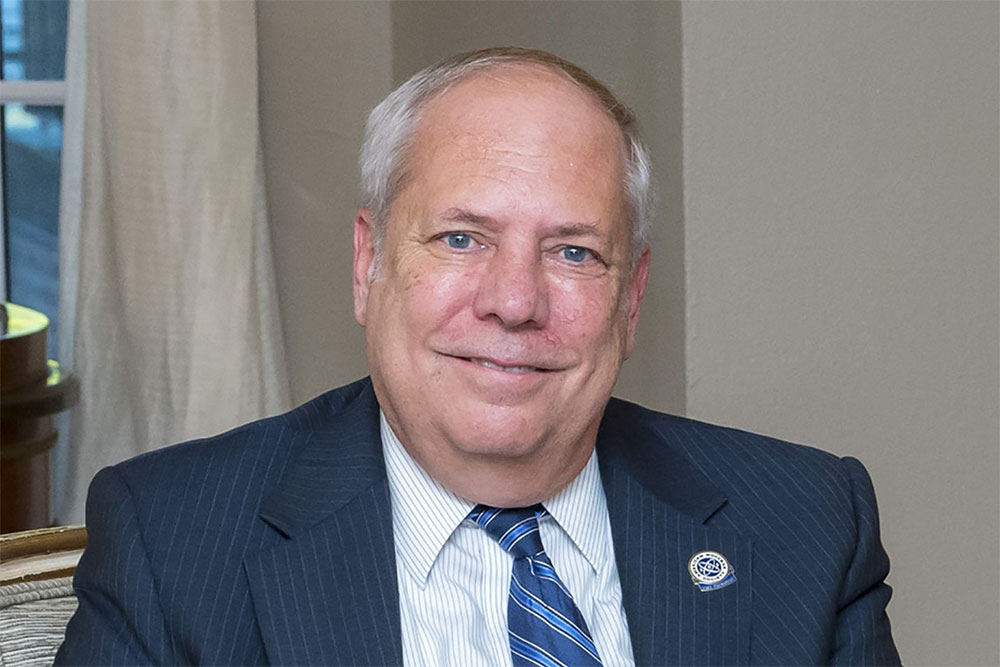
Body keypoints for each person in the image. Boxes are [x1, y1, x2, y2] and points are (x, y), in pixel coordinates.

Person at [56, 47, 899, 666]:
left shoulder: (807, 527)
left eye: (573, 252)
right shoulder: (172, 540)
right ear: (368, 265)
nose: (514, 300)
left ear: (631, 296)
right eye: (462, 238)